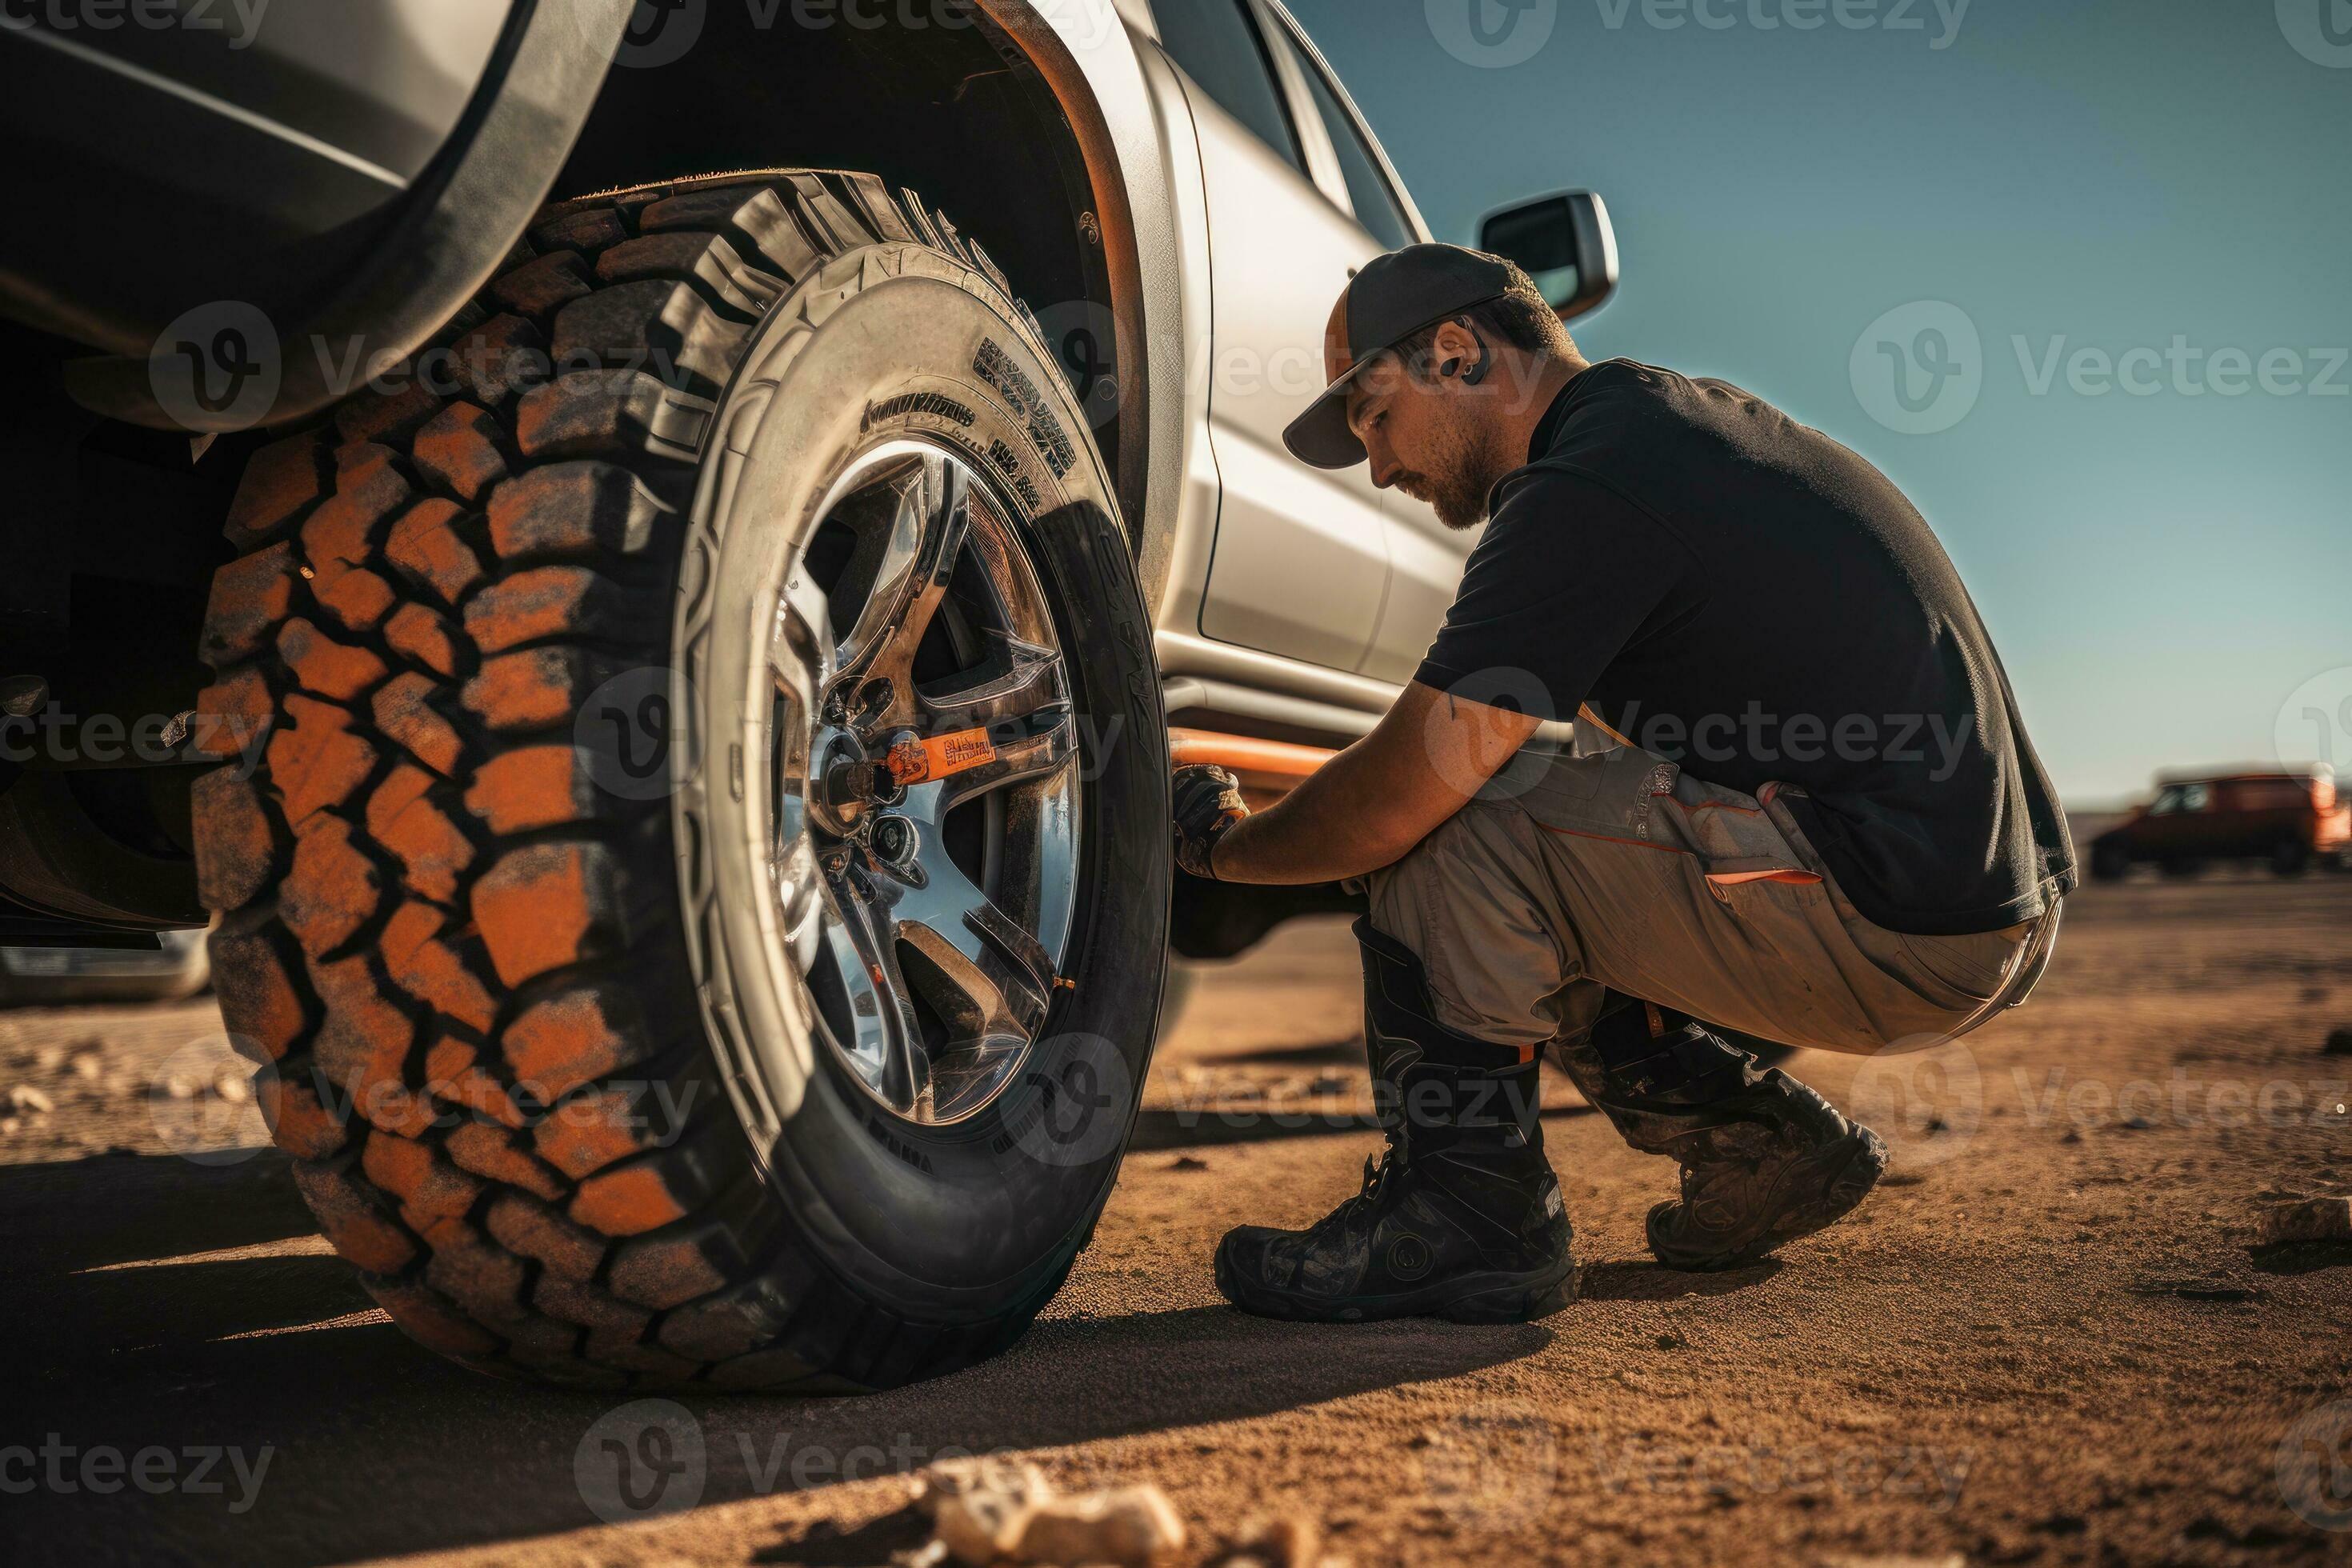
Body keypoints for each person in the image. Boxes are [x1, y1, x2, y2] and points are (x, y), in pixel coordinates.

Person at [1171, 244, 2074, 1324]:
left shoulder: (1591, 483)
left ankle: (1468, 1218)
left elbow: (1402, 794)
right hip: (1976, 909)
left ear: (1457, 352)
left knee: (1456, 822)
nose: (1379, 467)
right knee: (1553, 812)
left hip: (1900, 923)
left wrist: (1223, 848)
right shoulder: (1666, 433)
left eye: (1376, 418)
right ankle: (1753, 1144)